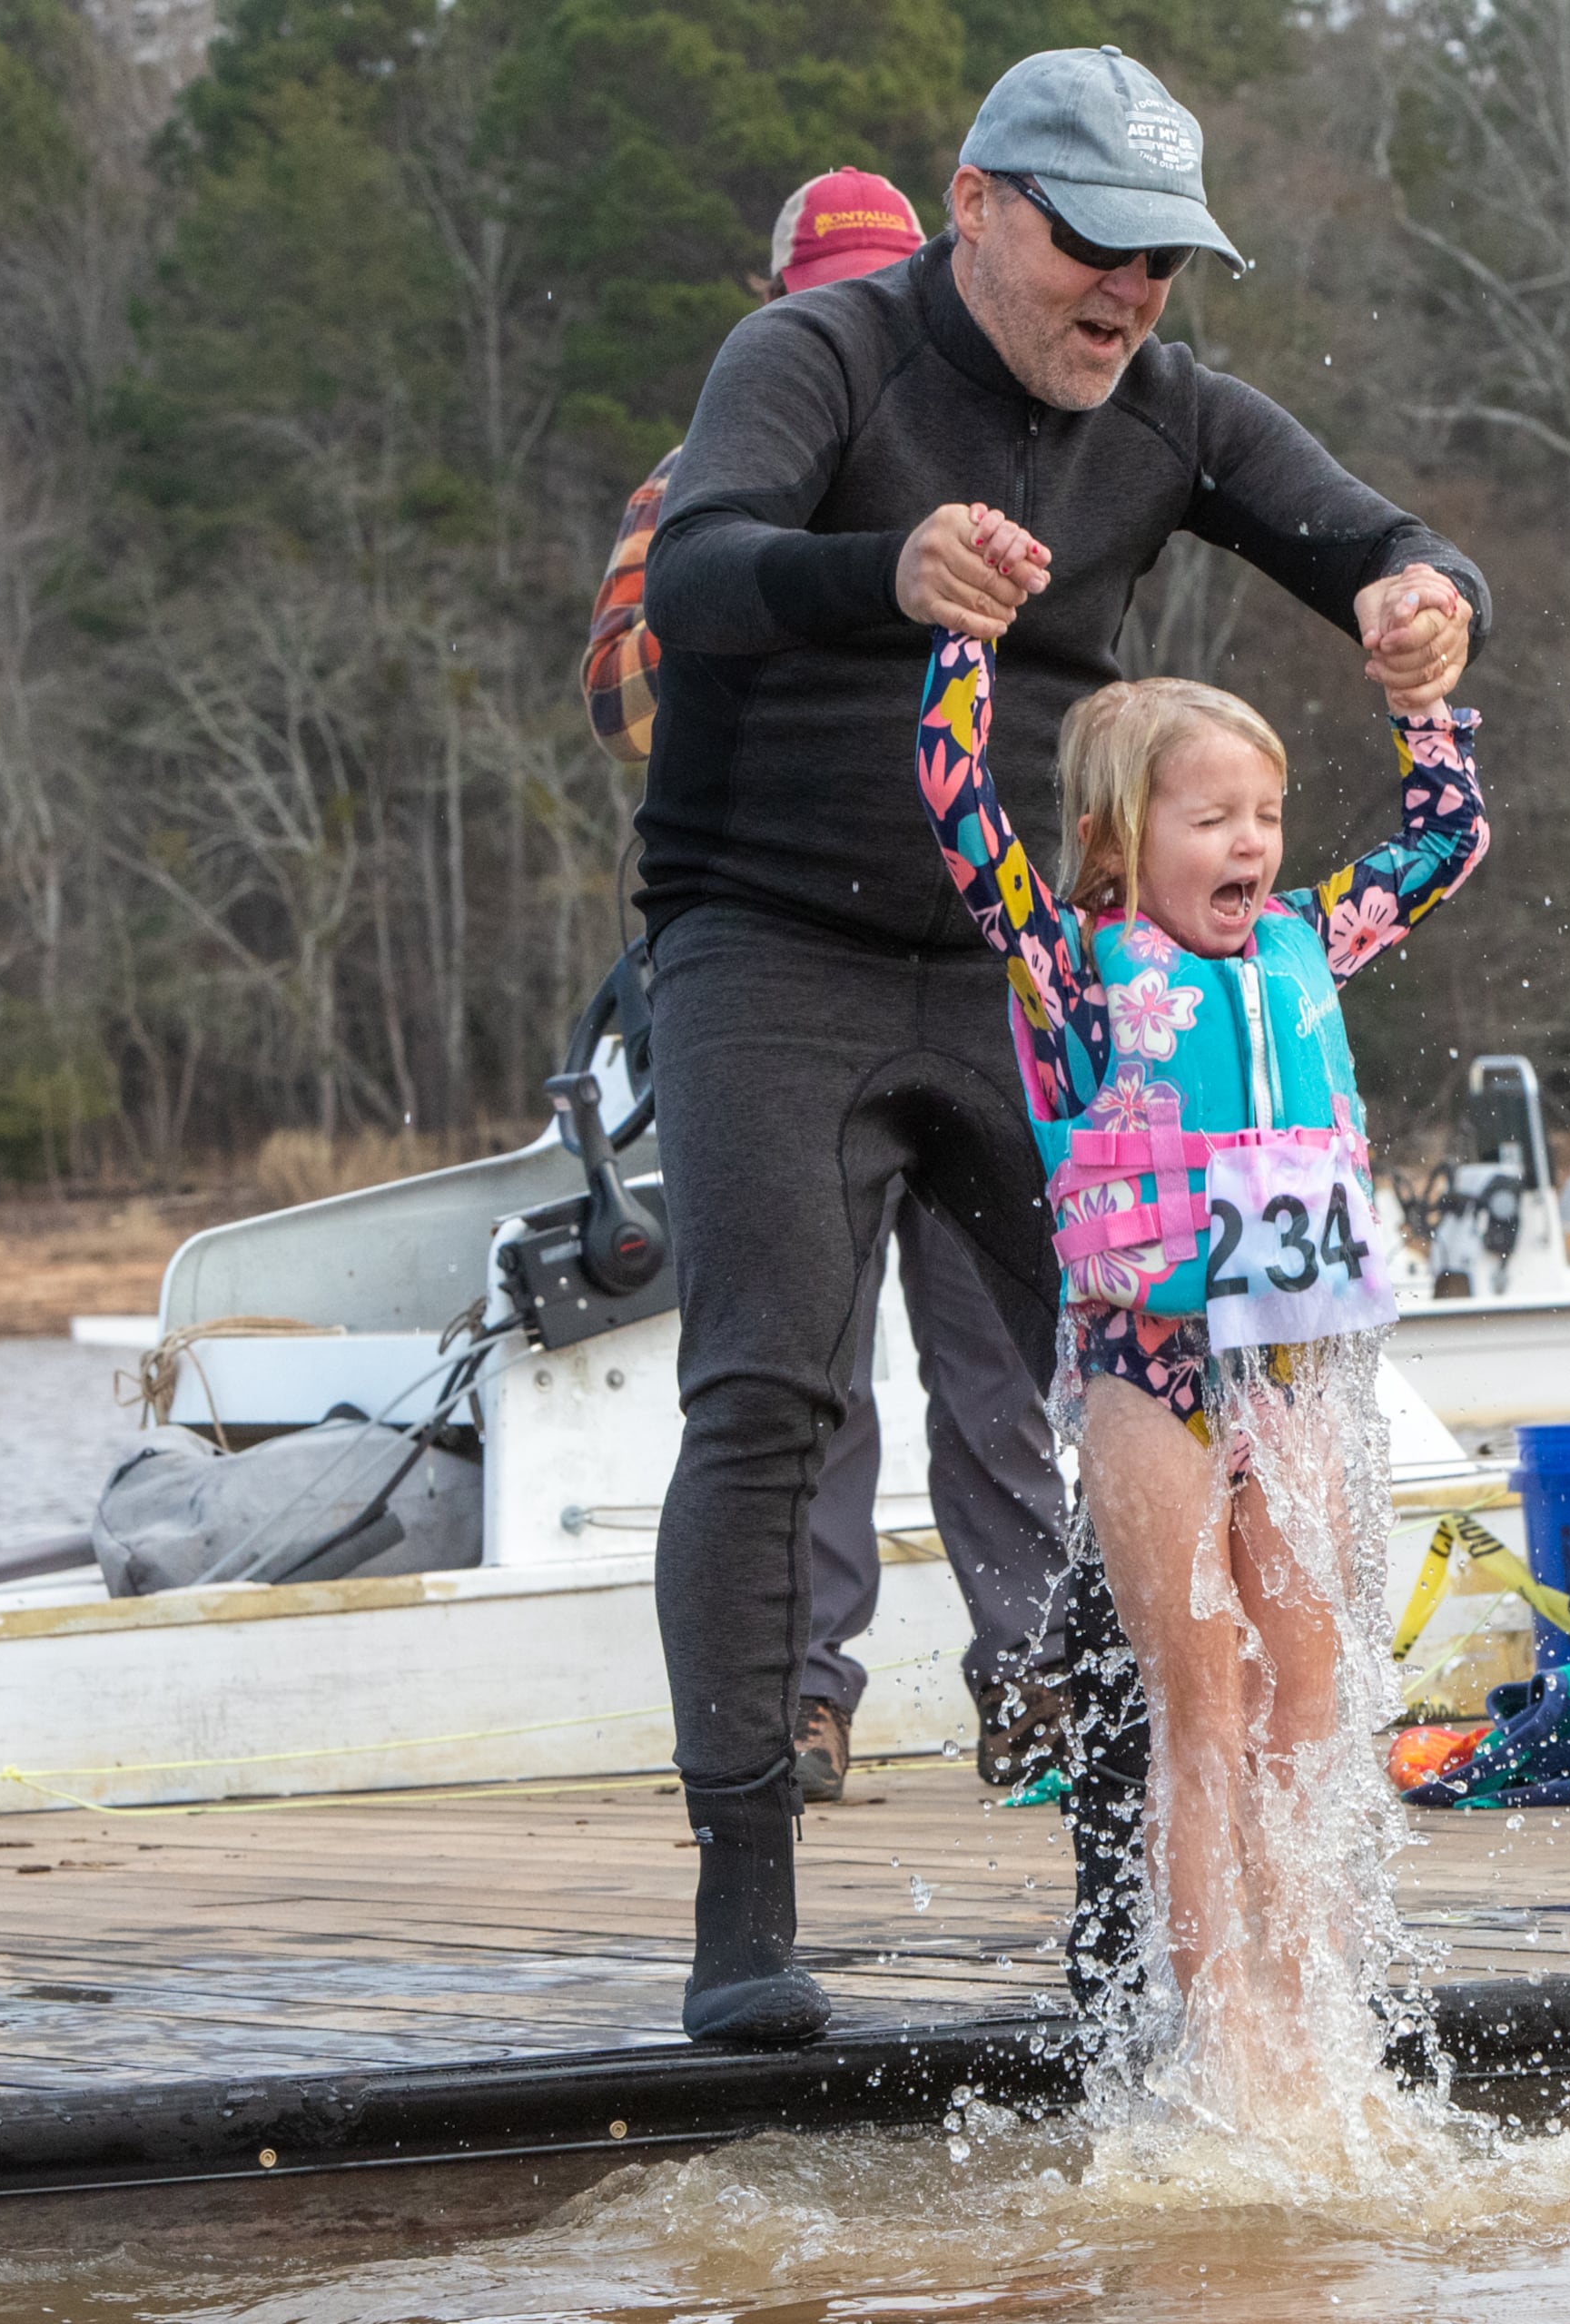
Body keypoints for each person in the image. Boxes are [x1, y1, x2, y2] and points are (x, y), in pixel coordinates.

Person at [636, 44, 1485, 2047]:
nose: (1130, 299)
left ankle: (1130, 1934)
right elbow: (694, 570)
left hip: (1050, 989)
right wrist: (885, 571)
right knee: (769, 1393)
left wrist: (1421, 601)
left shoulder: (1172, 409)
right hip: (771, 939)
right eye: (1095, 249)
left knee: (1136, 1383)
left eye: (1164, 266)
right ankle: (744, 1905)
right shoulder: (824, 356)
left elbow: (1383, 536)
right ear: (978, 205)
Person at [912, 564, 1486, 2111]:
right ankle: (1218, 2021)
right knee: (1207, 1700)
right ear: (1118, 845)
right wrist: (963, 641)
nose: (1252, 846)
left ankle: (1310, 2007)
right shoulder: (1069, 976)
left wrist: (1426, 706)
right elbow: (963, 818)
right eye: (1212, 819)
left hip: (1287, 1371)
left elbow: (1448, 840)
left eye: (1267, 817)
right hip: (1146, 1379)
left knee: (1314, 1689)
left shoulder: (1305, 941)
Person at [581, 168, 1073, 1809]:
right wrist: (845, 600)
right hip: (787, 958)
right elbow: (629, 698)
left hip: (985, 942)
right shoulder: (714, 473)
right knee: (812, 1363)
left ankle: (1031, 1686)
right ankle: (808, 1702)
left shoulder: (1025, 447)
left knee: (996, 1355)